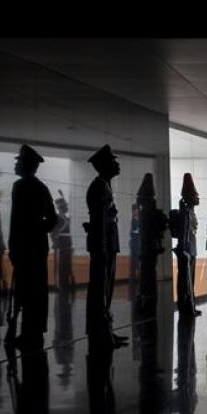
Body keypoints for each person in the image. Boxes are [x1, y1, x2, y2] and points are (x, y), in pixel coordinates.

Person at [8, 144, 58, 349]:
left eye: (19, 161)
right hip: (37, 246)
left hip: (23, 246)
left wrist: (15, 244)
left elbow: (16, 220)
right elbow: (53, 219)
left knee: (24, 290)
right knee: (36, 290)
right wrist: (38, 229)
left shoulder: (19, 187)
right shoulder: (41, 188)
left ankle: (27, 333)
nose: (17, 165)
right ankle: (34, 331)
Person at [84, 144, 127, 349]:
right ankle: (101, 334)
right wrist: (101, 246)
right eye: (113, 161)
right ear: (104, 165)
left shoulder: (105, 186)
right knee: (100, 291)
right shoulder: (99, 187)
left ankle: (106, 331)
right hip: (103, 246)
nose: (117, 164)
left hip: (107, 245)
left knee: (106, 291)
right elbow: (100, 220)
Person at [135, 173, 167, 314]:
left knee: (146, 273)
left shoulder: (144, 211)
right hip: (151, 247)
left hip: (146, 247)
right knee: (149, 273)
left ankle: (146, 297)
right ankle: (148, 297)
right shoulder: (151, 211)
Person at [175, 173, 201, 317]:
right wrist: (184, 248)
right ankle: (186, 306)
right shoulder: (184, 206)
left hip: (190, 246)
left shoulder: (190, 208)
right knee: (185, 279)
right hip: (186, 246)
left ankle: (190, 305)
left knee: (190, 278)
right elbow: (185, 228)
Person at [51, 190, 73, 292]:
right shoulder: (56, 218)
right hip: (60, 245)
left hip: (67, 244)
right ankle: (59, 285)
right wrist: (55, 243)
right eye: (64, 206)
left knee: (66, 266)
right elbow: (53, 233)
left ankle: (65, 283)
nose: (66, 208)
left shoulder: (68, 219)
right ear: (60, 207)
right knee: (60, 266)